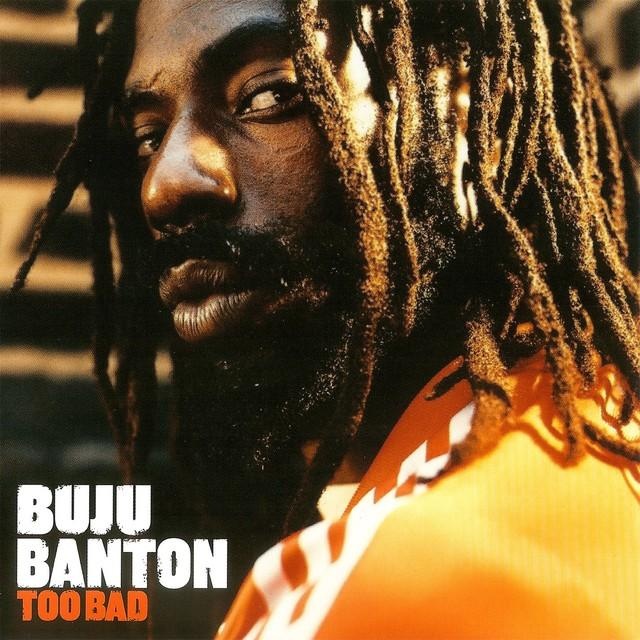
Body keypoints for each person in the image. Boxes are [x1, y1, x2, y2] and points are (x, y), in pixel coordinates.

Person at [14, 0, 639, 637]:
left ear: (466, 106)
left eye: (269, 94)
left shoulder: (422, 575)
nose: (163, 185)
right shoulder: (596, 443)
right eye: (148, 136)